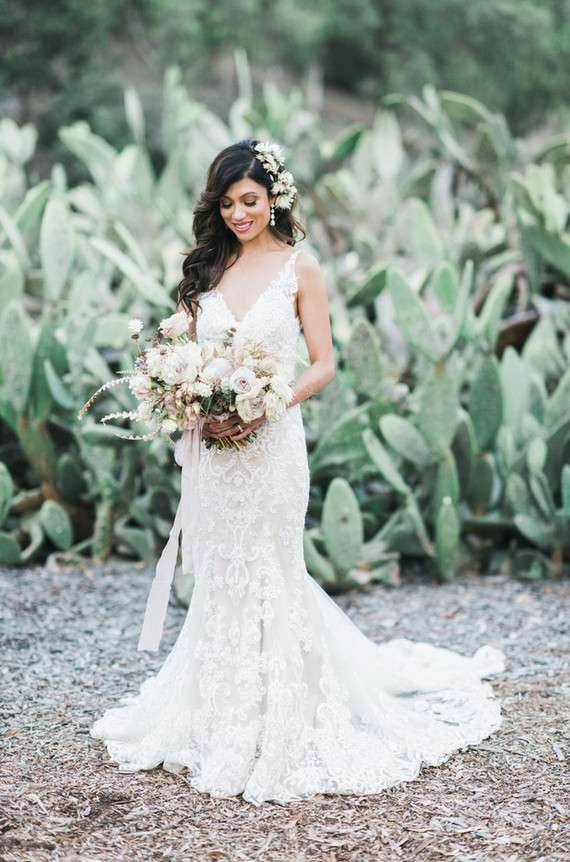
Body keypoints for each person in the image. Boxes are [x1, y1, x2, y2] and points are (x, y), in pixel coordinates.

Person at [91, 139, 504, 805]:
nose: (238, 215)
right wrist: (195, 403)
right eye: (226, 204)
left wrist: (263, 406)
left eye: (249, 201)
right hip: (217, 452)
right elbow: (185, 354)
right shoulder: (208, 270)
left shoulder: (299, 269)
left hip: (275, 447)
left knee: (274, 568)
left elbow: (323, 363)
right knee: (224, 571)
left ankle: (289, 719)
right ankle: (224, 717)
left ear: (273, 196)